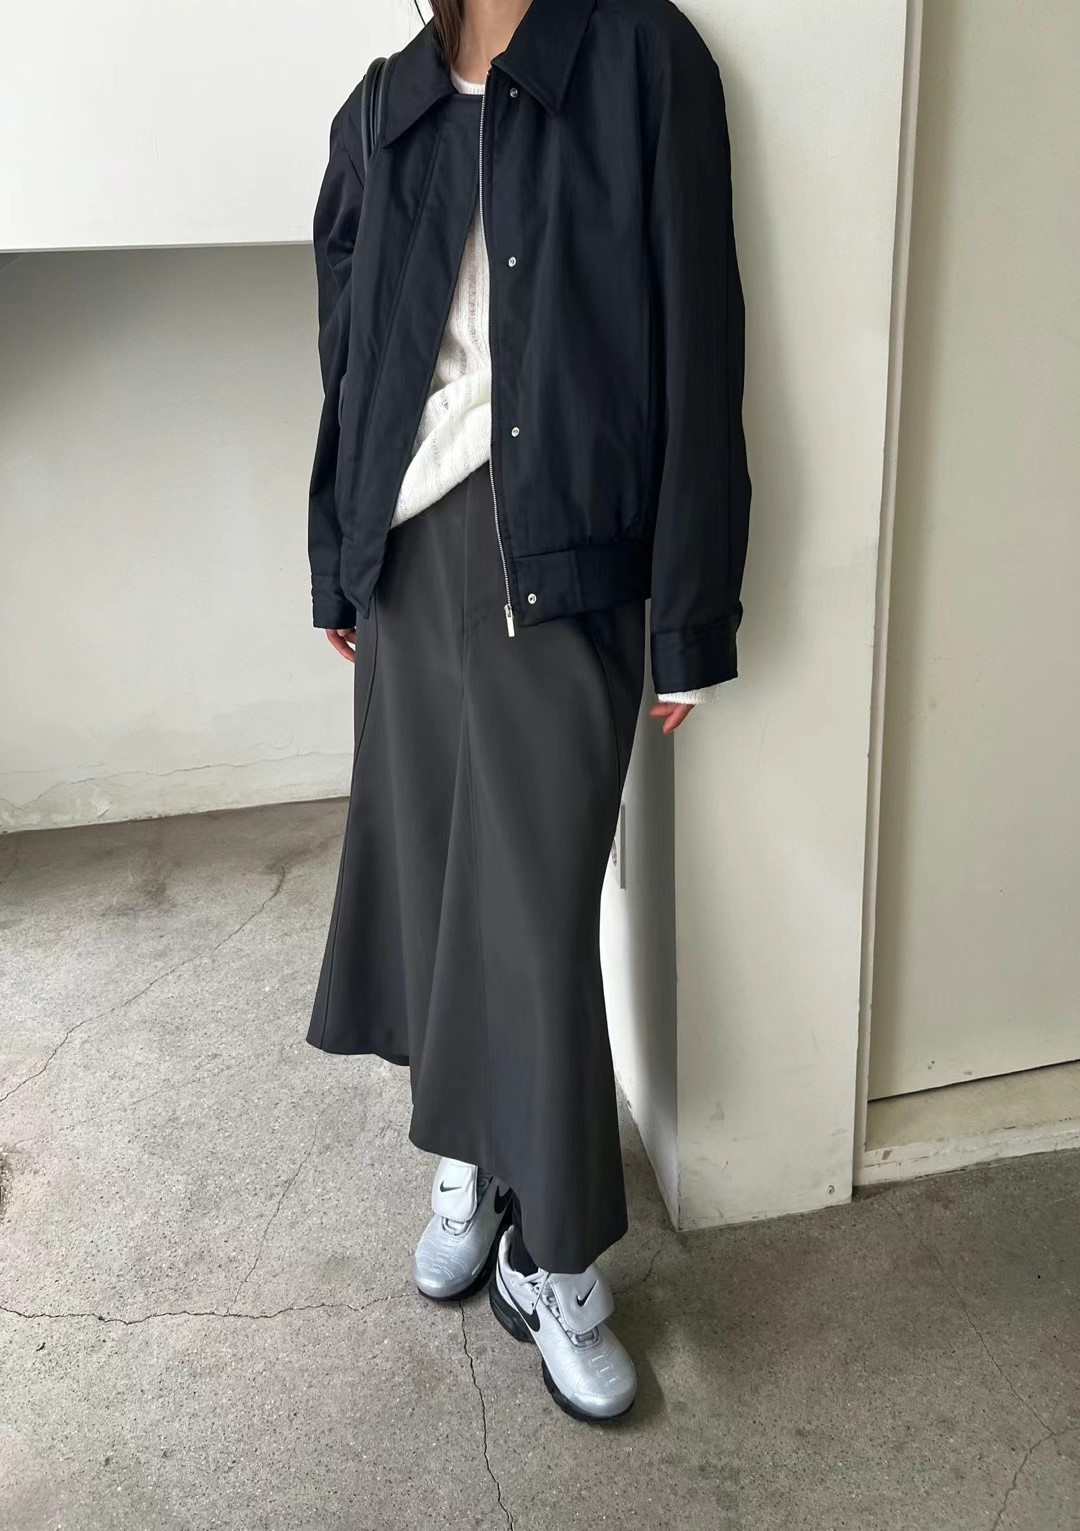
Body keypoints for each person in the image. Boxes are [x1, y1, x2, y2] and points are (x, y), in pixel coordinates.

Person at [306, 0, 749, 1422]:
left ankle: (554, 1259)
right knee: (437, 882)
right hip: (410, 553)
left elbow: (699, 337)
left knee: (541, 917)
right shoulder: (382, 106)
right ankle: (472, 1157)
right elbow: (351, 352)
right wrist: (336, 558)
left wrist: (690, 615)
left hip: (563, 561)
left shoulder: (643, 62)